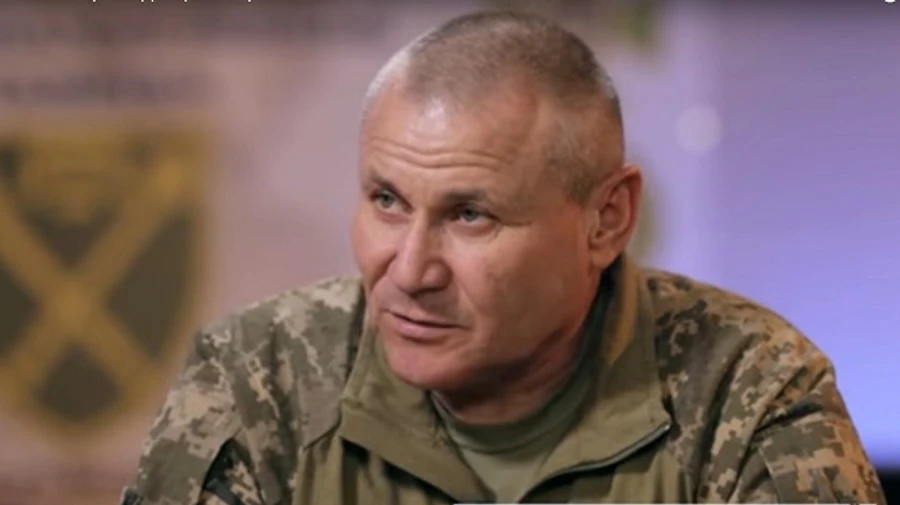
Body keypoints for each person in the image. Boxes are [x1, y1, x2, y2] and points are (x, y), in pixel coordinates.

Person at [120, 10, 886, 505]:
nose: (409, 271)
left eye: (470, 214)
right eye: (386, 199)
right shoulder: (258, 380)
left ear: (606, 219)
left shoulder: (747, 393)